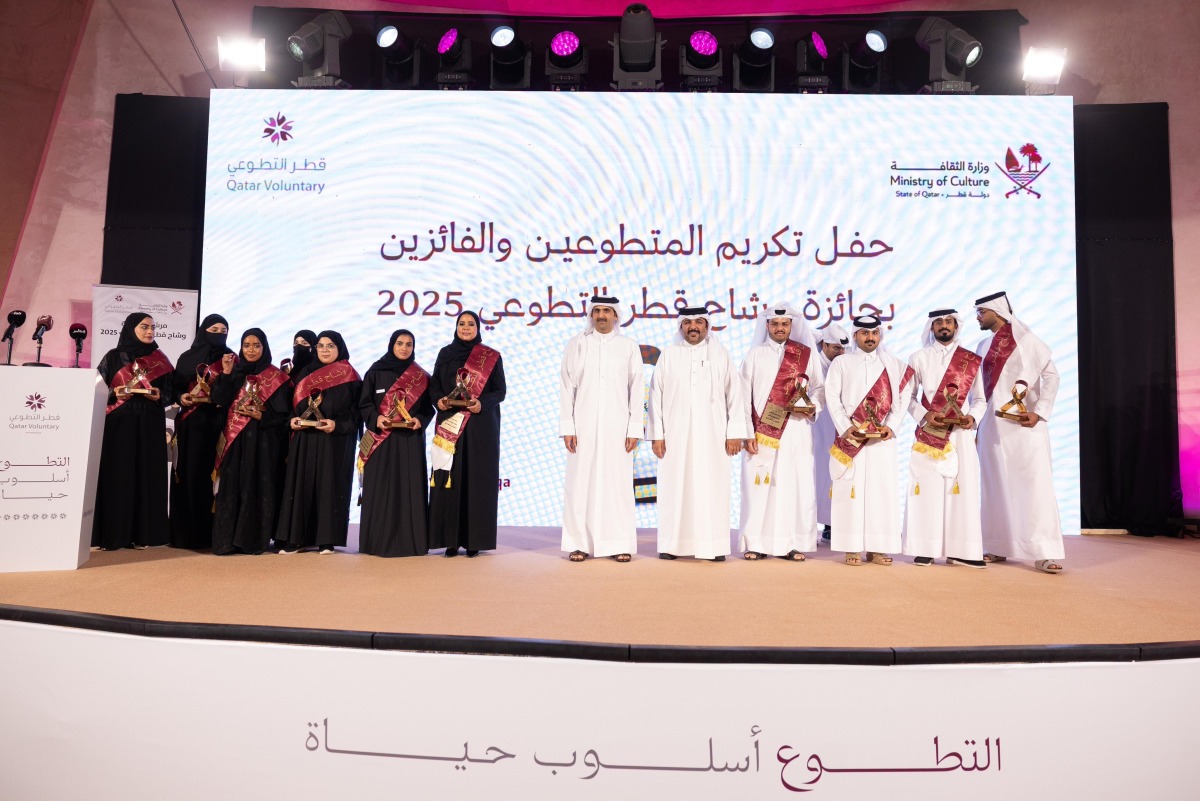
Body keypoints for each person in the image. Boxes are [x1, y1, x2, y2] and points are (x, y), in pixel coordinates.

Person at [974, 291, 1065, 573]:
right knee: (995, 485)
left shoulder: (1028, 341)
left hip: (1025, 426)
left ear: (997, 311)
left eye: (981, 312)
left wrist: (1040, 412)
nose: (978, 317)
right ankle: (998, 546)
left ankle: (1044, 552)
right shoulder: (981, 345)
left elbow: (1051, 376)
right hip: (992, 426)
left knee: (1035, 488)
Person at [648, 307, 747, 562]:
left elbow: (735, 395)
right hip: (674, 434)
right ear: (681, 327)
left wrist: (734, 433)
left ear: (707, 326)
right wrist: (657, 434)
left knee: (712, 487)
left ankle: (712, 546)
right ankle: (672, 545)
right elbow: (655, 396)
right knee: (674, 487)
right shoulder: (669, 355)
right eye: (688, 322)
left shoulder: (721, 354)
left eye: (699, 322)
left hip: (713, 435)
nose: (693, 327)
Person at [559, 296, 644, 562]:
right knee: (579, 483)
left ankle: (618, 543)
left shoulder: (628, 346)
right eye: (597, 311)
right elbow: (566, 387)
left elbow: (637, 388)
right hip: (582, 426)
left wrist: (634, 429)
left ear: (616, 315)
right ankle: (578, 543)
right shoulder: (577, 344)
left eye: (607, 311)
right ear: (591, 315)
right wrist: (567, 427)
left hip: (618, 427)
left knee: (617, 484)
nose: (601, 315)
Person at [824, 314, 913, 566]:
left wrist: (892, 427)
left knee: (880, 491)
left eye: (874, 333)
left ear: (880, 335)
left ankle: (877, 547)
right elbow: (832, 397)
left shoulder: (894, 365)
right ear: (855, 336)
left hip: (881, 441)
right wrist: (845, 426)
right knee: (849, 491)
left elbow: (903, 399)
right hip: (850, 437)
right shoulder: (841, 362)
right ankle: (851, 546)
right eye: (864, 333)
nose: (870, 337)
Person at [738, 302, 824, 561]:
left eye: (784, 324)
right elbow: (743, 397)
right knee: (759, 486)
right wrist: (747, 432)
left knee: (793, 485)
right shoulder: (754, 355)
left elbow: (819, 388)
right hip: (762, 433)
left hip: (796, 431)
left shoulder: (806, 355)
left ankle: (792, 543)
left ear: (791, 326)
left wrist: (812, 408)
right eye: (775, 324)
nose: (779, 328)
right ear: (767, 326)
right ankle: (756, 543)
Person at [902, 309, 987, 568]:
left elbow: (981, 400)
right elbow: (908, 397)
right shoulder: (917, 358)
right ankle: (925, 548)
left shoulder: (971, 359)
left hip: (960, 435)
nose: (944, 326)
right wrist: (925, 415)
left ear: (956, 326)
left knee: (961, 490)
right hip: (930, 432)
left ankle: (961, 550)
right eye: (938, 322)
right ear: (931, 327)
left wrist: (973, 418)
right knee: (927, 488)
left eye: (948, 322)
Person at [92, 312, 174, 550]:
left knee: (147, 474)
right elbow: (98, 388)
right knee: (119, 475)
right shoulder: (113, 357)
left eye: (152, 328)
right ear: (130, 328)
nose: (150, 332)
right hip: (119, 424)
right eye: (144, 327)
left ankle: (145, 535)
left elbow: (169, 392)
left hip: (150, 423)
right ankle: (115, 535)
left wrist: (161, 396)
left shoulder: (161, 359)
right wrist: (113, 394)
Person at [428, 311, 506, 557]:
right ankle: (450, 540)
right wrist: (438, 400)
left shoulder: (490, 356)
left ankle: (474, 541)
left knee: (477, 479)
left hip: (480, 425)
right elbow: (435, 385)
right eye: (461, 324)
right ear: (456, 327)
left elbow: (500, 391)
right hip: (450, 422)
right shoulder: (445, 354)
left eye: (471, 324)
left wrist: (481, 403)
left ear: (478, 328)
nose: (466, 328)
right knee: (450, 475)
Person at [275, 331, 361, 554]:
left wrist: (337, 424)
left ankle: (327, 540)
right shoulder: (304, 372)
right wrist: (290, 421)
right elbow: (286, 407)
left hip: (334, 441)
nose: (324, 350)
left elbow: (356, 414)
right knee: (299, 485)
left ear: (339, 348)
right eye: (320, 346)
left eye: (330, 346)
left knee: (330, 487)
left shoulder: (350, 375)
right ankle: (295, 539)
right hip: (304, 439)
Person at [210, 328, 292, 555]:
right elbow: (219, 399)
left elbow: (284, 417)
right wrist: (226, 373)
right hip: (236, 442)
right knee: (232, 484)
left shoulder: (277, 378)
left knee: (257, 485)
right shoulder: (234, 372)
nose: (251, 350)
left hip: (263, 442)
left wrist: (262, 416)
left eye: (256, 345)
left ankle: (252, 541)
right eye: (246, 345)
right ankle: (226, 541)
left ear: (264, 347)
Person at [357, 329, 434, 557]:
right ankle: (375, 543)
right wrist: (376, 418)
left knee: (408, 488)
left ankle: (411, 544)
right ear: (391, 344)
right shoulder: (375, 372)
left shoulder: (421, 376)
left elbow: (427, 409)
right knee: (380, 489)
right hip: (380, 441)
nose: (404, 348)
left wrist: (420, 421)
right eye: (400, 343)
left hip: (409, 441)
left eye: (409, 344)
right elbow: (364, 404)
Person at [168, 313, 234, 550]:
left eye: (223, 330)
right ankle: (185, 535)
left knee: (214, 476)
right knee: (189, 473)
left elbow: (233, 393)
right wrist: (180, 397)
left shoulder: (231, 358)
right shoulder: (186, 358)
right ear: (203, 330)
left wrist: (226, 374)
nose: (219, 334)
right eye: (213, 329)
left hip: (218, 422)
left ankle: (213, 534)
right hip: (191, 422)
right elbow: (175, 387)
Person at [813, 324, 849, 543]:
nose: (841, 353)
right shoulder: (813, 364)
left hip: (839, 427)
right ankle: (809, 524)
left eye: (843, 349)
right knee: (815, 473)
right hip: (815, 427)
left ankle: (832, 523)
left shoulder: (846, 363)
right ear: (823, 345)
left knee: (836, 473)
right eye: (836, 348)